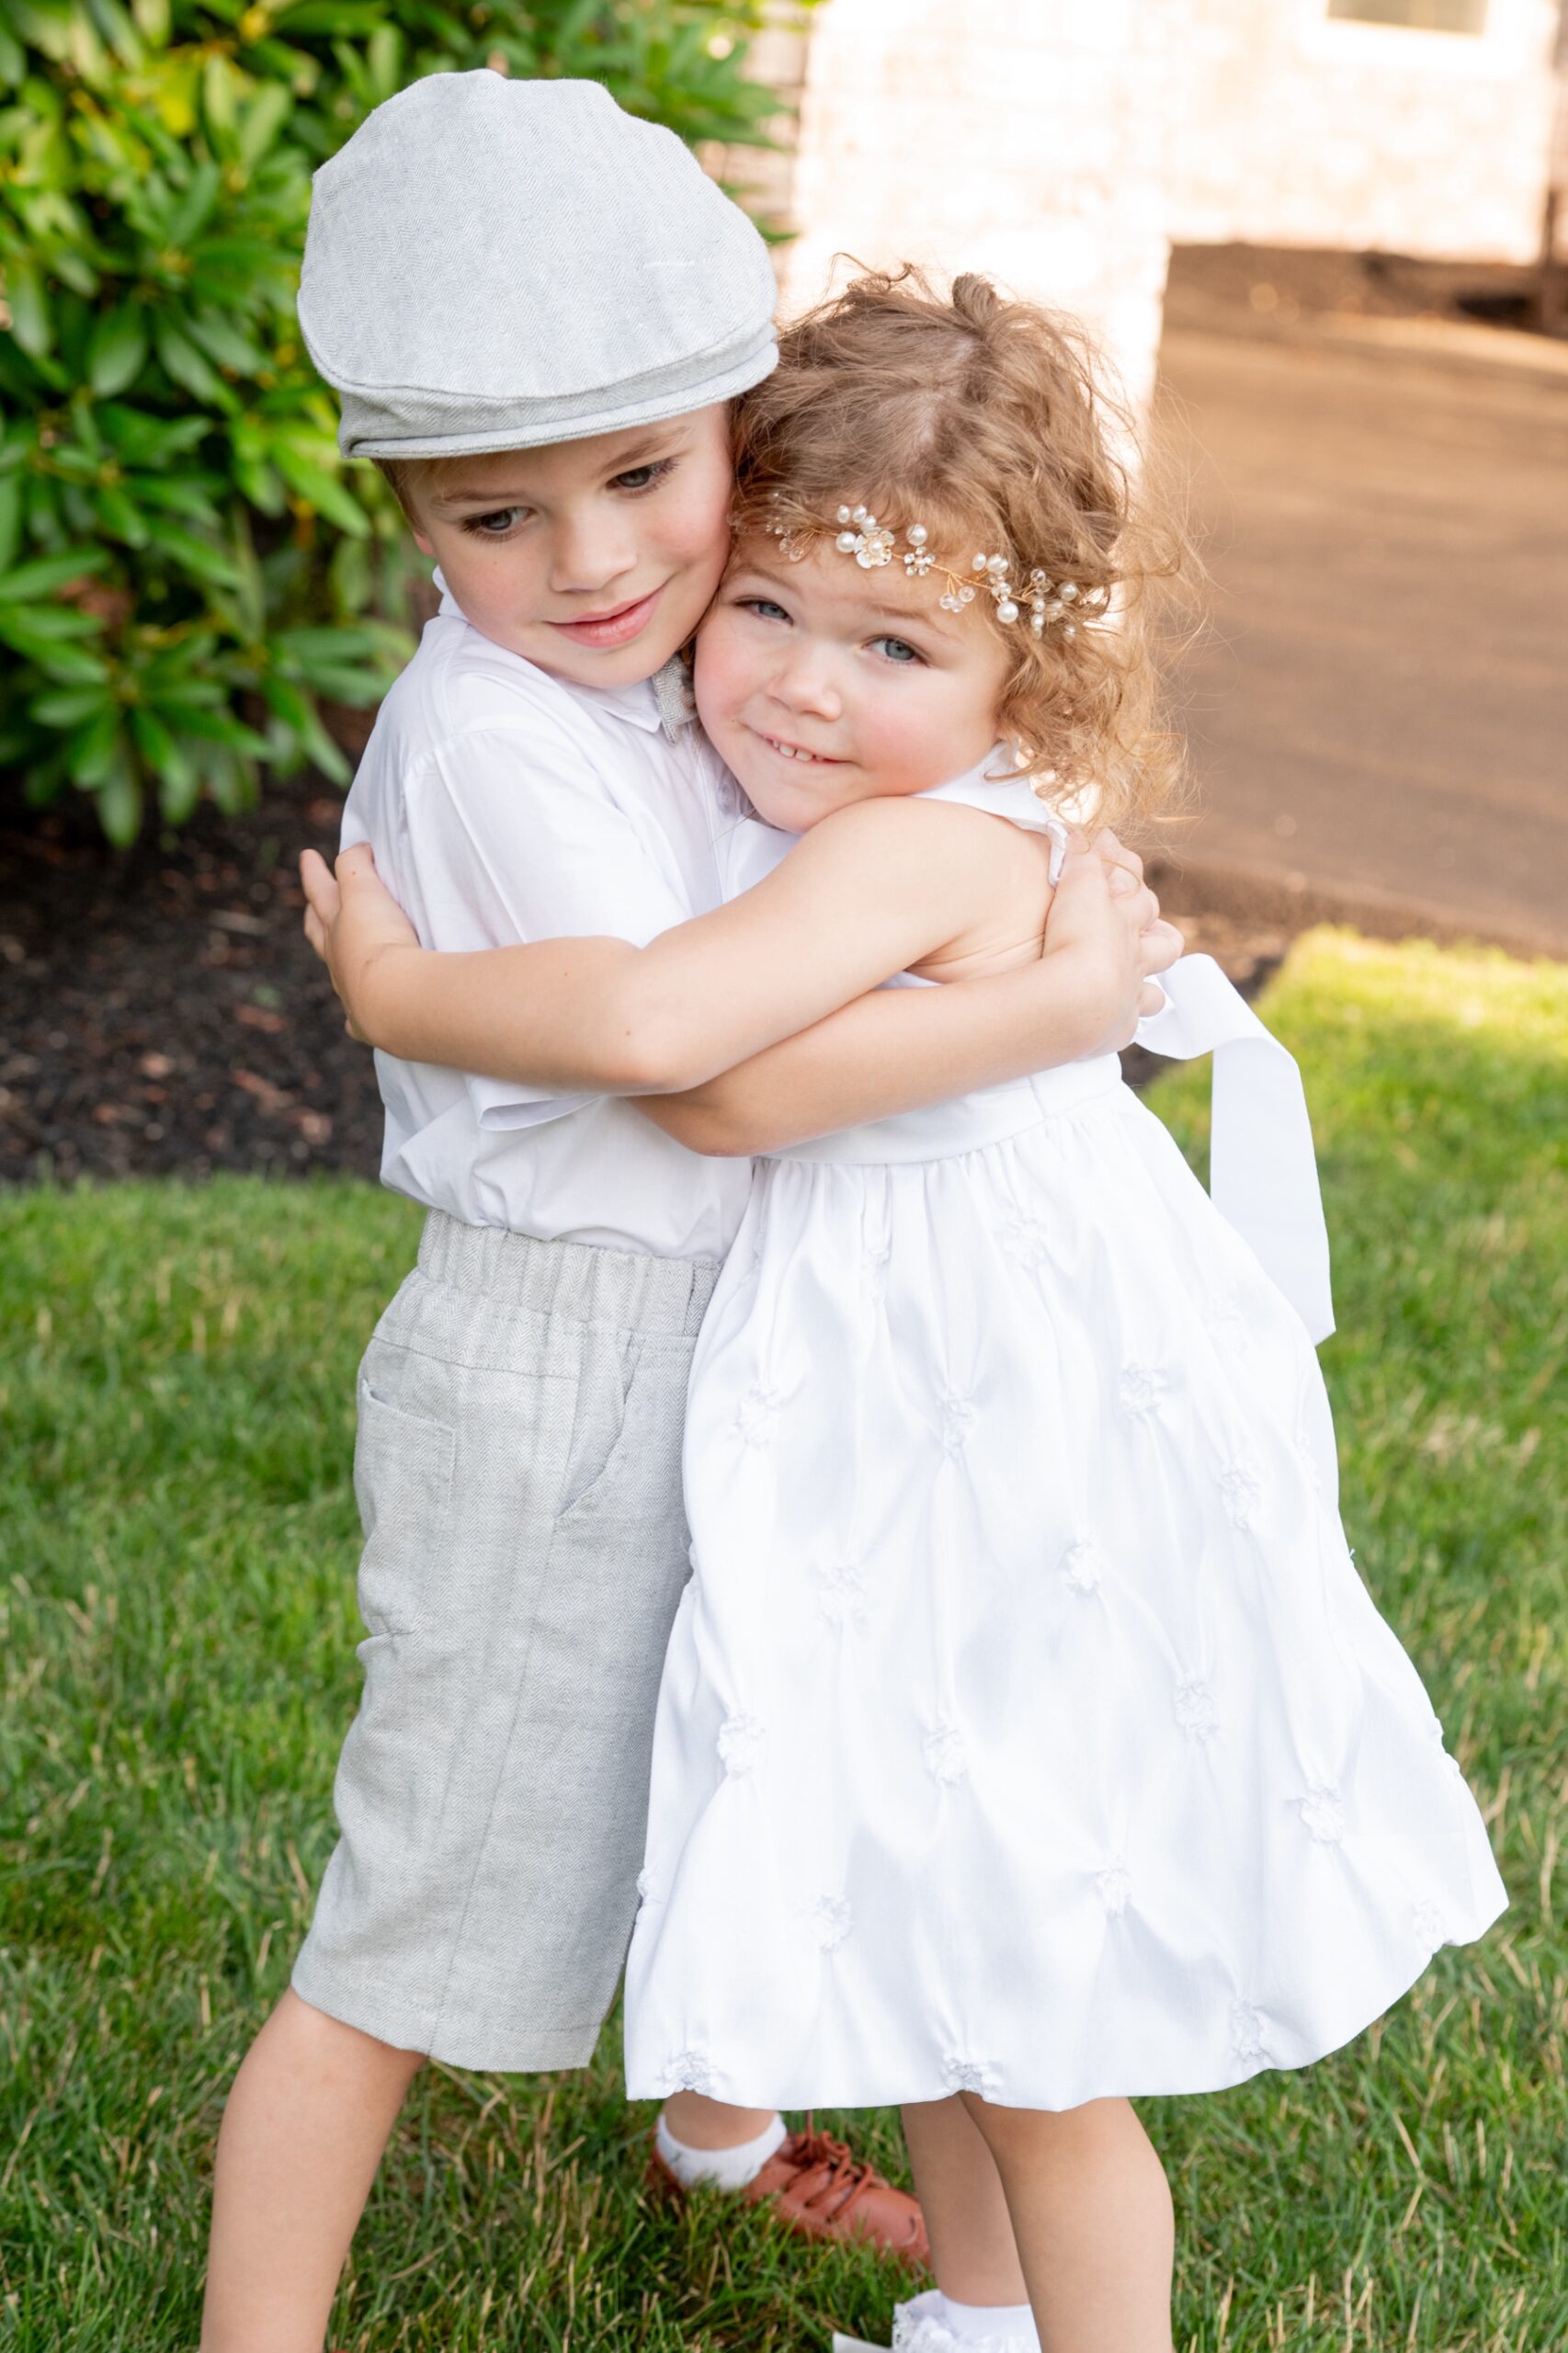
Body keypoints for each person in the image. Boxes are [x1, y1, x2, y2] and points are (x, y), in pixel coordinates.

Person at [306, 268, 1506, 2353]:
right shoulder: (966, 809)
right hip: (993, 1394)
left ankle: (1007, 2298)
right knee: (965, 1890)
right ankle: (956, 2293)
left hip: (982, 1422)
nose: (794, 686)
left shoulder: (895, 857)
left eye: (893, 643)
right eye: (764, 607)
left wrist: (402, 997)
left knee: (1018, 1956)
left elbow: (706, 1075)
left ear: (1021, 669)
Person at [210, 74, 1179, 2353]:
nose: (595, 564)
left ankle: (749, 2135)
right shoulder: (505, 739)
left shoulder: (720, 669)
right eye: (498, 516)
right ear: (407, 515)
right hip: (570, 1359)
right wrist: (1056, 1002)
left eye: (648, 476)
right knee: (430, 1900)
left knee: (819, 1782)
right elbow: (707, 1067)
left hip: (764, 1338)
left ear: (737, 429)